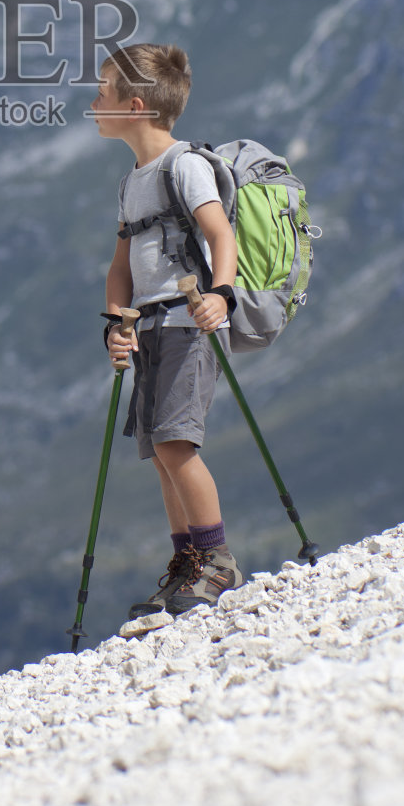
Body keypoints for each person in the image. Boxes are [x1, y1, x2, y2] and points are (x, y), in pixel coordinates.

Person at [91, 42, 245, 629]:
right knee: (159, 451)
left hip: (188, 322)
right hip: (151, 325)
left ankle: (217, 559)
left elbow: (219, 235)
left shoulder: (185, 166)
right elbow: (120, 266)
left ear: (134, 106)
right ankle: (187, 564)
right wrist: (115, 322)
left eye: (103, 92)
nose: (94, 102)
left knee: (177, 444)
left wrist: (220, 295)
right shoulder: (133, 181)